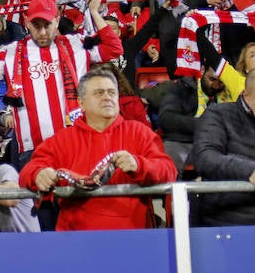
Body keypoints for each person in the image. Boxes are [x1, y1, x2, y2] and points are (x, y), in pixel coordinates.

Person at [0, 0, 123, 166]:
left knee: (79, 192)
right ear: (26, 21)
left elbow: (114, 48)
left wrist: (94, 12)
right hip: (33, 149)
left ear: (57, 19)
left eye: (47, 25)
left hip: (78, 142)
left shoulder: (77, 44)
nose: (42, 32)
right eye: (36, 25)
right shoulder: (11, 52)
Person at [17, 69, 177, 231]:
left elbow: (168, 170)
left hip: (133, 239)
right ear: (81, 102)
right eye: (99, 93)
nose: (107, 97)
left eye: (111, 92)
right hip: (77, 241)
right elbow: (28, 171)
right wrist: (38, 174)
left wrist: (139, 165)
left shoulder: (139, 132)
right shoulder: (62, 139)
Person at [190, 68, 255, 226]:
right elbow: (204, 157)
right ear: (246, 97)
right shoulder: (218, 114)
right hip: (222, 225)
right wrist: (250, 171)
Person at [157, 66, 233, 177]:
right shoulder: (183, 86)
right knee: (169, 159)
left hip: (220, 144)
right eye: (212, 79)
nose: (216, 86)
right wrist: (204, 124)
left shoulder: (233, 91)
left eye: (221, 82)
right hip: (183, 141)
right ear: (202, 71)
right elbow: (166, 118)